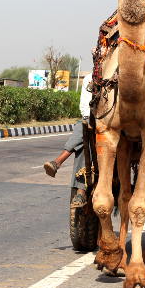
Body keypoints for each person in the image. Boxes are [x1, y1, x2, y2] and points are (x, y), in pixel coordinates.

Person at [44, 72, 93, 208]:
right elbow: (85, 107)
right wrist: (90, 121)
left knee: (85, 134)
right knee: (84, 133)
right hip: (93, 119)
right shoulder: (90, 78)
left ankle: (58, 162)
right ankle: (81, 191)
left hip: (114, 123)